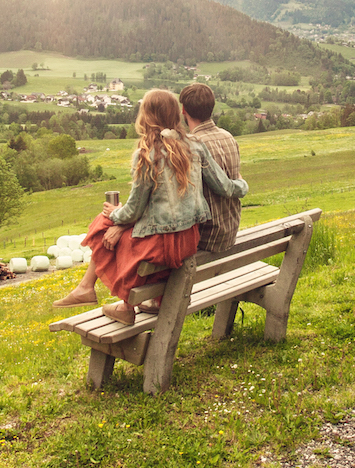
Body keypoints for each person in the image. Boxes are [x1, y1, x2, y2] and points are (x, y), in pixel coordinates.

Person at [53, 88, 248, 324]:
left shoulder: (147, 154)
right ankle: (99, 293)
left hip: (162, 247)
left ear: (147, 116)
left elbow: (134, 210)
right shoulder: (195, 146)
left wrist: (116, 215)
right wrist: (243, 186)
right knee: (113, 227)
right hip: (188, 241)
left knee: (101, 224)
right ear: (177, 114)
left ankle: (95, 292)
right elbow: (224, 186)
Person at [178, 82, 243, 254]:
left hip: (205, 239)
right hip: (230, 233)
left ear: (184, 110)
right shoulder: (229, 137)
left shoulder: (191, 146)